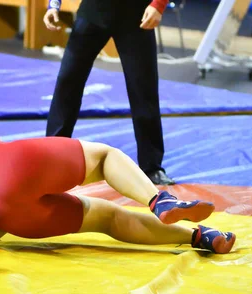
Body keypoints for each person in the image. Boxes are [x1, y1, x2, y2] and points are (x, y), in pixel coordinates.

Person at [0, 92, 236, 254]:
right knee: (104, 158)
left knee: (107, 219)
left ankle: (199, 237)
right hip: (13, 165)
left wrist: (1, 212)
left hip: (10, 216)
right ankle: (159, 200)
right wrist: (1, 157)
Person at [43, 0, 175, 185]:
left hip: (136, 15)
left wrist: (158, 4)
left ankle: (151, 167)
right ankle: (52, 155)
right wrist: (54, 5)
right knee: (68, 81)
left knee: (143, 89)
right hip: (94, 11)